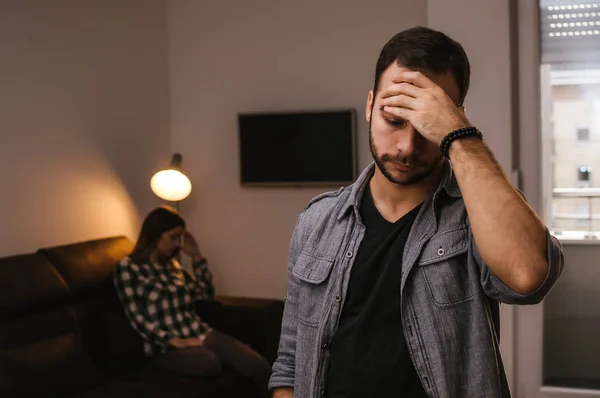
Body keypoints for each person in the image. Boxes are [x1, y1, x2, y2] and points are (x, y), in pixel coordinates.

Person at [269, 26, 564, 398]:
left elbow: (528, 278)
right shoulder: (317, 220)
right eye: (393, 120)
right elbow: (290, 360)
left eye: (426, 126)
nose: (407, 146)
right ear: (370, 105)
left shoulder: (475, 216)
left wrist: (458, 135)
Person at [113, 205, 271, 396]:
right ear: (155, 235)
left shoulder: (172, 266)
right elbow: (137, 318)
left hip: (201, 333)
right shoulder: (128, 268)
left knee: (258, 365)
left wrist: (196, 256)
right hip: (165, 347)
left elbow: (205, 295)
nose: (178, 244)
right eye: (173, 237)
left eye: (180, 238)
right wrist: (175, 341)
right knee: (209, 362)